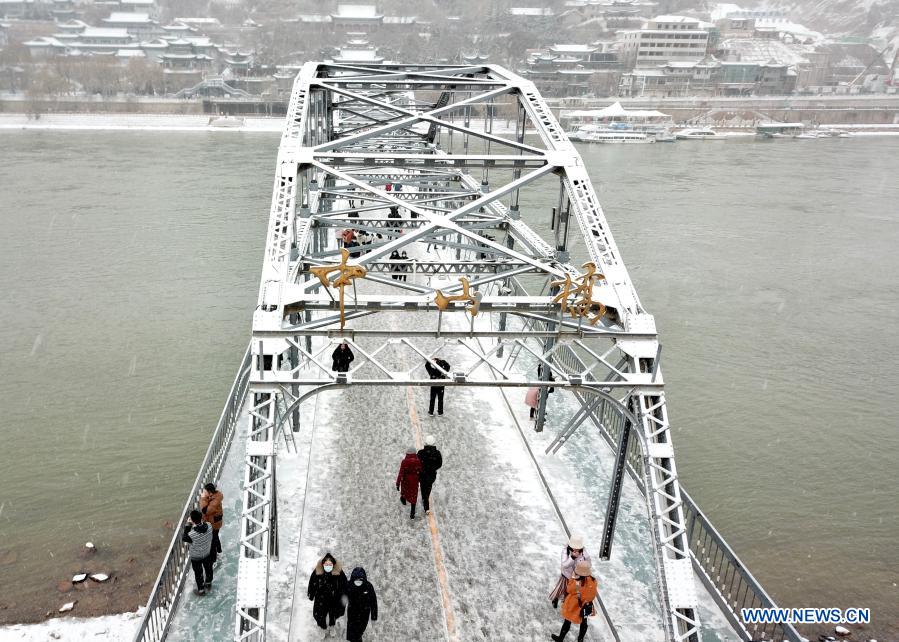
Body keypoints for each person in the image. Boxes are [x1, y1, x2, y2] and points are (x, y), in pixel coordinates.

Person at [551, 559, 597, 642]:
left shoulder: (577, 582)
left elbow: (569, 589)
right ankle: (580, 639)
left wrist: (572, 579)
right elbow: (593, 594)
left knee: (567, 621)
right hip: (586, 606)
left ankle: (560, 638)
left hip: (574, 605)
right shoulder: (593, 581)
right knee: (584, 623)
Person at [308, 552, 348, 635]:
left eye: (330, 564)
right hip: (321, 597)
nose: (328, 566)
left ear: (333, 564)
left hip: (334, 598)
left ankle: (332, 626)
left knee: (333, 613)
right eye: (326, 564)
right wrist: (311, 594)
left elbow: (344, 585)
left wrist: (344, 596)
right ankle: (322, 627)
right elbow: (312, 583)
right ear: (323, 564)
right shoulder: (317, 572)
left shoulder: (339, 573)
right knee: (320, 613)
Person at [549, 535, 592, 609]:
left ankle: (566, 604)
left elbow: (588, 564)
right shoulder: (565, 551)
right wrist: (572, 557)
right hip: (566, 575)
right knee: (560, 589)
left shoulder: (584, 554)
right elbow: (564, 565)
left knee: (570, 592)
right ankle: (555, 599)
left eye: (578, 548)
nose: (575, 549)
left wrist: (582, 569)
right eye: (573, 547)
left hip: (577, 577)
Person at [182, 509, 214, 595]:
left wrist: (188, 525)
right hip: (207, 552)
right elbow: (203, 526)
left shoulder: (192, 534)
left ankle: (201, 590)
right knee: (208, 568)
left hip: (196, 556)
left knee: (198, 573)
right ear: (201, 517)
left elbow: (184, 537)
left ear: (192, 520)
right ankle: (208, 583)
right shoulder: (209, 525)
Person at [345, 566, 378, 642]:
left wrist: (374, 617)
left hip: (364, 612)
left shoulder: (368, 586)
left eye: (360, 580)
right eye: (356, 580)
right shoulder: (349, 585)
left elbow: (373, 602)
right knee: (352, 632)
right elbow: (343, 597)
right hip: (352, 611)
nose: (358, 582)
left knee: (359, 631)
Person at [417, 435, 443, 515]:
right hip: (431, 475)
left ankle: (426, 506)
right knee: (428, 488)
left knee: (423, 489)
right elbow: (439, 464)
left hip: (422, 475)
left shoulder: (421, 453)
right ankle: (426, 501)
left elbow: (417, 463)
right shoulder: (437, 453)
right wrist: (433, 468)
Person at [396, 447, 422, 519]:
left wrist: (398, 483)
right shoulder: (418, 461)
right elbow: (420, 471)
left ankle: (403, 500)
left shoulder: (404, 462)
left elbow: (401, 473)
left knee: (405, 492)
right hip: (414, 481)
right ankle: (412, 513)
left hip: (405, 481)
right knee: (414, 496)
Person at [199, 482, 223, 557]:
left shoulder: (215, 501)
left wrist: (203, 498)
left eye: (205, 491)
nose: (204, 493)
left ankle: (214, 558)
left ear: (209, 492)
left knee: (212, 541)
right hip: (215, 521)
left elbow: (205, 511)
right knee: (215, 537)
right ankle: (219, 550)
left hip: (214, 523)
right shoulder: (215, 496)